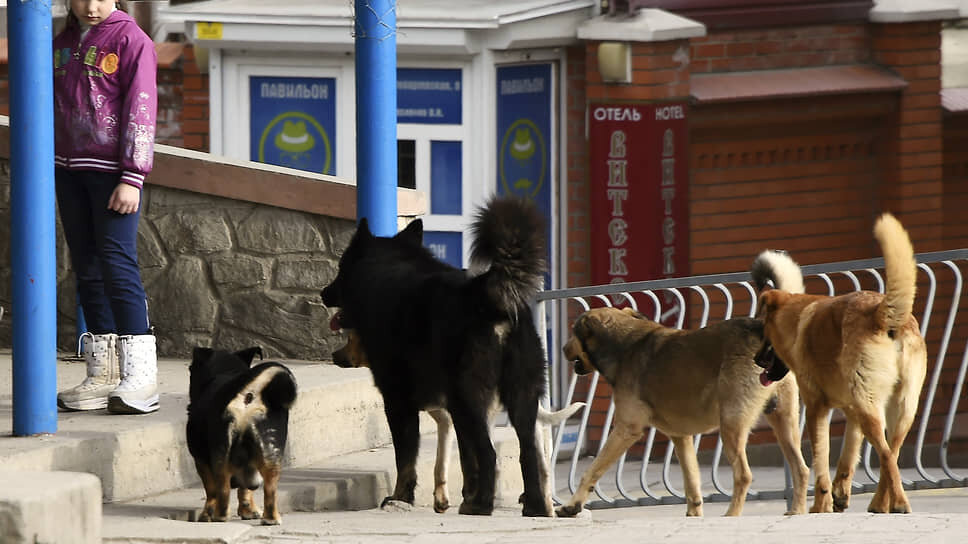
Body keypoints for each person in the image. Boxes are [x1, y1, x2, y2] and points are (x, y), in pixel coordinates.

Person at [53, 0, 159, 414]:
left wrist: (133, 175)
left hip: (113, 173)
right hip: (68, 169)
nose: (91, 6)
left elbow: (142, 107)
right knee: (87, 268)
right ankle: (103, 374)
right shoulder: (61, 42)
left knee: (117, 263)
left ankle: (141, 377)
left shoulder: (132, 39)